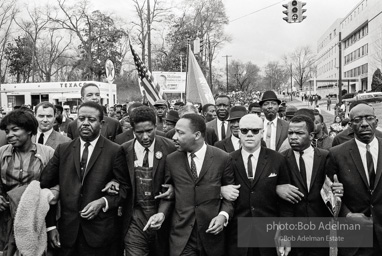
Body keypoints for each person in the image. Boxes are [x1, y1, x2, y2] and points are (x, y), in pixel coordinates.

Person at [40, 101, 130, 256]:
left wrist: (103, 202)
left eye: (91, 120)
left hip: (100, 235)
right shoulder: (63, 150)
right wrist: (51, 226)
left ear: (101, 123)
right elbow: (44, 186)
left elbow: (125, 188)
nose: (85, 123)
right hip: (67, 234)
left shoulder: (114, 151)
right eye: (81, 119)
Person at [152, 113, 235, 256]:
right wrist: (161, 213)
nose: (174, 137)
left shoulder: (222, 158)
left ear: (196, 135)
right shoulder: (172, 160)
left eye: (180, 133)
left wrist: (223, 216)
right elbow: (168, 194)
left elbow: (231, 195)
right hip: (182, 238)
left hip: (211, 236)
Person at [225, 114, 292, 256]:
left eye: (255, 131)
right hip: (237, 233)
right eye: (244, 131)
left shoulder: (277, 160)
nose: (249, 134)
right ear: (238, 132)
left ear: (262, 133)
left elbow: (286, 203)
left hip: (269, 231)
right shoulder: (227, 160)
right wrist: (220, 190)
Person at [117, 106, 176, 256]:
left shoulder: (170, 148)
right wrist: (113, 182)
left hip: (164, 219)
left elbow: (180, 180)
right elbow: (119, 179)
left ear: (156, 126)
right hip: (135, 220)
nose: (145, 137)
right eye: (139, 132)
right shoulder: (123, 150)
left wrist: (173, 189)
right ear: (132, 130)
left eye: (149, 130)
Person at [281, 114, 343, 256]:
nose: (293, 137)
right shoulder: (281, 159)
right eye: (290, 133)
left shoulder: (325, 156)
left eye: (299, 133)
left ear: (311, 135)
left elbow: (332, 188)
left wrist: (338, 190)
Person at [326, 103, 382, 255]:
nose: (364, 124)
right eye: (358, 120)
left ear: (376, 122)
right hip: (354, 237)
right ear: (350, 125)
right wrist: (347, 214)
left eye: (369, 118)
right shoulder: (336, 154)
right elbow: (326, 192)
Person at [0, 109, 55, 255]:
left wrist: (46, 196)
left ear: (30, 130)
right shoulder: (2, 153)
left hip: (36, 219)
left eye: (15, 130)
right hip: (6, 219)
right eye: (7, 131)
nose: (9, 135)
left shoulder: (48, 153)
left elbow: (57, 184)